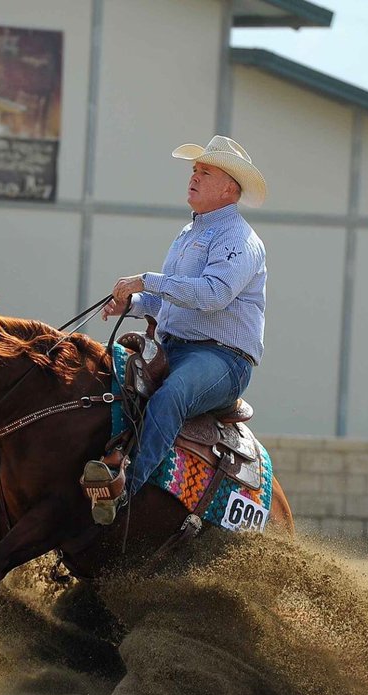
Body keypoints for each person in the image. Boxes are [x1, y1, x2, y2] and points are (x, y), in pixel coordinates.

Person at [84, 135, 267, 525]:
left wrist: (146, 281)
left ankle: (124, 494)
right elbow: (173, 299)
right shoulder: (190, 234)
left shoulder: (240, 239)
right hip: (176, 346)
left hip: (222, 359)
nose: (194, 177)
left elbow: (213, 294)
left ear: (228, 188)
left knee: (172, 396)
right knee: (101, 375)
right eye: (194, 170)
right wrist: (131, 305)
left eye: (205, 171)